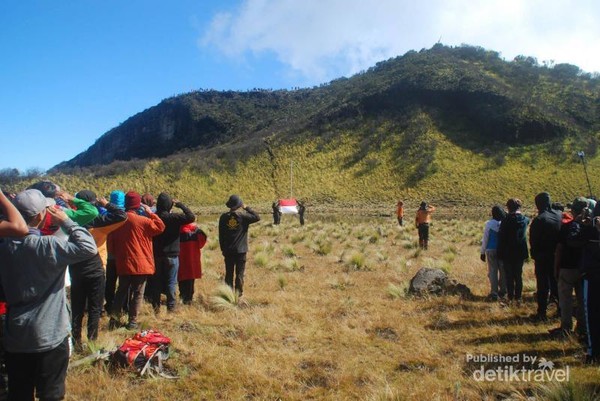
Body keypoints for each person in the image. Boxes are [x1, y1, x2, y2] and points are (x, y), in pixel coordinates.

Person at [0, 189, 97, 401]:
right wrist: (67, 221)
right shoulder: (48, 245)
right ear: (41, 215)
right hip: (50, 334)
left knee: (19, 393)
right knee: (51, 393)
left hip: (16, 334)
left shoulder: (4, 248)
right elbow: (89, 248)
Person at [68, 190, 127, 349]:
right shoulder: (98, 222)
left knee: (77, 306)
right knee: (95, 307)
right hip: (96, 266)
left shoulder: (69, 221)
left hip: (75, 267)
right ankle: (92, 340)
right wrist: (106, 204)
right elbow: (121, 215)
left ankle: (76, 340)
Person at [108, 191, 165, 329]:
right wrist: (150, 212)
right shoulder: (144, 221)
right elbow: (160, 226)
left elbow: (111, 246)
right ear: (138, 204)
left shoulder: (117, 221)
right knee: (138, 293)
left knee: (121, 291)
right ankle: (132, 321)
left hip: (124, 263)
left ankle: (114, 319)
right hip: (141, 264)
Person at [150, 192, 195, 313]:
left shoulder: (153, 217)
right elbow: (191, 217)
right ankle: (171, 307)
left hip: (156, 254)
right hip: (172, 254)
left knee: (156, 282)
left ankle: (156, 308)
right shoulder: (174, 218)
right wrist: (180, 205)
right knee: (171, 281)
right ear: (170, 205)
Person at [550, 197, 588, 338]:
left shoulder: (566, 227)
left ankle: (566, 328)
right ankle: (582, 328)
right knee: (582, 299)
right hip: (584, 268)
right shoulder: (589, 228)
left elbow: (559, 249)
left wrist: (556, 268)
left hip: (567, 268)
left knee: (565, 300)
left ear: (573, 211)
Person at [218, 195, 260, 296]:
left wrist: (222, 249)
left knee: (229, 273)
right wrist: (247, 208)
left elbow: (221, 235)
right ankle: (238, 293)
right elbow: (257, 217)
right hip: (241, 250)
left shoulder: (223, 217)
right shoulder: (243, 216)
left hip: (228, 250)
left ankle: (228, 294)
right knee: (240, 273)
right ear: (239, 205)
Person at [529, 192, 562, 321]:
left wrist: (535, 255)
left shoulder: (539, 220)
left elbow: (533, 242)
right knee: (557, 285)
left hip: (543, 257)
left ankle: (542, 313)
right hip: (558, 256)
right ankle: (561, 311)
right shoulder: (559, 216)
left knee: (542, 286)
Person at [497, 198, 530, 304]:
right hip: (520, 252)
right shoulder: (524, 219)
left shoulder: (505, 221)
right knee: (518, 275)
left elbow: (502, 237)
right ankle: (518, 297)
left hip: (507, 252)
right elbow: (527, 221)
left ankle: (510, 297)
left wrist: (500, 253)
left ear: (508, 207)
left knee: (509, 276)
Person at [480, 205, 507, 301]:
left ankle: (494, 292)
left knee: (492, 271)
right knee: (503, 271)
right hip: (502, 250)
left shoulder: (489, 224)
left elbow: (485, 239)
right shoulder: (505, 223)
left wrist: (482, 252)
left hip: (491, 249)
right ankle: (503, 290)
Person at [178, 223, 208, 304]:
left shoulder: (177, 228)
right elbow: (202, 242)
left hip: (180, 259)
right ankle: (188, 299)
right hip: (192, 259)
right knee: (190, 281)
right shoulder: (196, 230)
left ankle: (182, 297)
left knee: (181, 280)